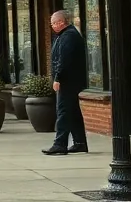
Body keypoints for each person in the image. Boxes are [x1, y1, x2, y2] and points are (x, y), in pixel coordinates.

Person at [44, 10, 89, 155]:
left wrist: (58, 78)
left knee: (63, 111)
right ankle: (80, 142)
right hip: (72, 80)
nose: (52, 26)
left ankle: (60, 144)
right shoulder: (66, 35)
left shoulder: (68, 36)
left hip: (68, 81)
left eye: (53, 23)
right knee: (74, 111)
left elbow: (64, 60)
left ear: (61, 22)